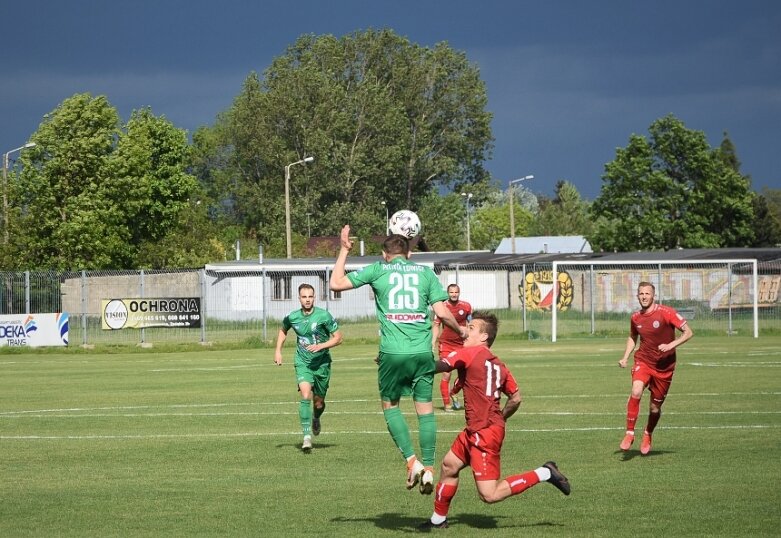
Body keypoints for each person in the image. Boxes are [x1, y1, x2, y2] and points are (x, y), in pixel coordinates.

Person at [329, 226, 467, 494]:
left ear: (385, 254)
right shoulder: (426, 273)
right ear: (409, 253)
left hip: (392, 353)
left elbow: (336, 283)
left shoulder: (378, 269)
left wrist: (345, 249)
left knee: (391, 406)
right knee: (425, 411)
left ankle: (411, 461)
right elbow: (442, 311)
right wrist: (461, 331)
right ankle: (428, 467)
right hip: (421, 353)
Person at [420, 311, 570, 530]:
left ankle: (545, 472)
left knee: (489, 495)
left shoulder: (469, 352)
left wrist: (400, 362)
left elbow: (436, 366)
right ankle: (438, 520)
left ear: (483, 337)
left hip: (484, 433)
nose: (465, 331)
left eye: (471, 328)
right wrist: (500, 418)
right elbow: (516, 398)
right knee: (449, 465)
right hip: (479, 429)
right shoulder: (499, 364)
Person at [618, 281, 694, 455]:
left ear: (653, 295)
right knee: (636, 391)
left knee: (654, 408)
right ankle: (629, 433)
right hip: (643, 361)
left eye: (647, 293)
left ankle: (648, 433)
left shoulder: (666, 313)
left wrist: (671, 345)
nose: (644, 296)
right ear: (637, 296)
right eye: (641, 294)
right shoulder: (635, 317)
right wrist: (625, 357)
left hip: (664, 367)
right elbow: (632, 336)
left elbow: (688, 332)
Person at [274, 283, 343, 453]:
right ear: (299, 298)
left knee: (318, 403)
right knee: (305, 394)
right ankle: (306, 437)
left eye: (310, 296)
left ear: (314, 297)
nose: (307, 300)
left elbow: (338, 338)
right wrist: (278, 351)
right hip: (302, 361)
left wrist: (321, 346)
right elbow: (283, 330)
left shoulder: (324, 316)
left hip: (322, 364)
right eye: (304, 297)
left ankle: (316, 418)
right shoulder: (292, 317)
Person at [432, 283, 472, 411]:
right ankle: (447, 404)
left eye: (456, 292)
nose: (454, 294)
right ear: (447, 293)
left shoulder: (466, 307)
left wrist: (471, 339)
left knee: (466, 374)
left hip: (462, 344)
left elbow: (471, 324)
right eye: (451, 292)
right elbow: (436, 325)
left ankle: (454, 392)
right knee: (446, 374)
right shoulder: (442, 307)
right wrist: (433, 341)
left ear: (459, 293)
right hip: (446, 344)